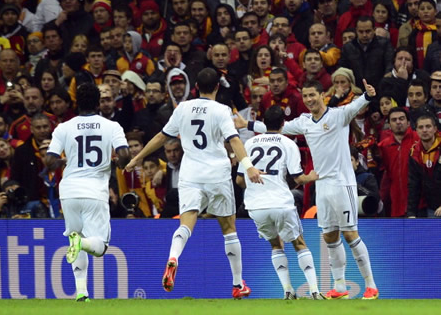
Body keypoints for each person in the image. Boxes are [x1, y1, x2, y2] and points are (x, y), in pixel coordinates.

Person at [124, 67, 262, 298]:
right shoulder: (222, 110)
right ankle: (238, 285)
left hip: (190, 175)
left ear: (195, 87)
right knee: (229, 230)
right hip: (217, 174)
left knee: (186, 224)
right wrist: (248, 167)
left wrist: (137, 157)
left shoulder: (183, 108)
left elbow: (162, 136)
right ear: (217, 87)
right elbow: (234, 140)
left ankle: (173, 257)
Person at [280, 80, 379, 299]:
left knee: (351, 234)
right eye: (305, 97)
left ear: (322, 94)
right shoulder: (304, 122)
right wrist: (247, 126)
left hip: (343, 184)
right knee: (330, 237)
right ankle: (340, 287)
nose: (309, 100)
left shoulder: (337, 116)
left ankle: (371, 285)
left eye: (312, 95)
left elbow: (355, 106)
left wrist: (368, 95)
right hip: (322, 186)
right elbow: (279, 127)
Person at [45, 82, 131, 302]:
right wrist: (118, 164)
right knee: (99, 246)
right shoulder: (112, 126)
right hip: (94, 191)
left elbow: (49, 160)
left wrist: (65, 161)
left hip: (69, 191)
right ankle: (80, 244)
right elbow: (124, 155)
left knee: (77, 238)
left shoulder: (63, 127)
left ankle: (81, 292)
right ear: (98, 103)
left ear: (75, 103)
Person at [236, 105, 324, 300]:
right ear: (283, 124)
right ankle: (315, 291)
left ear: (263, 123)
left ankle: (287, 290)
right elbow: (298, 178)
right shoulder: (287, 143)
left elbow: (240, 180)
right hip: (280, 202)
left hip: (256, 205)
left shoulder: (249, 144)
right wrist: (311, 177)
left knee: (276, 245)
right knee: (299, 243)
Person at [407, 114, 441, 218]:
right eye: (421, 127)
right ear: (416, 130)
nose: (424, 130)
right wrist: (411, 213)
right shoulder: (414, 153)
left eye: (428, 126)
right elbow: (413, 185)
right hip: (432, 208)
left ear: (435, 129)